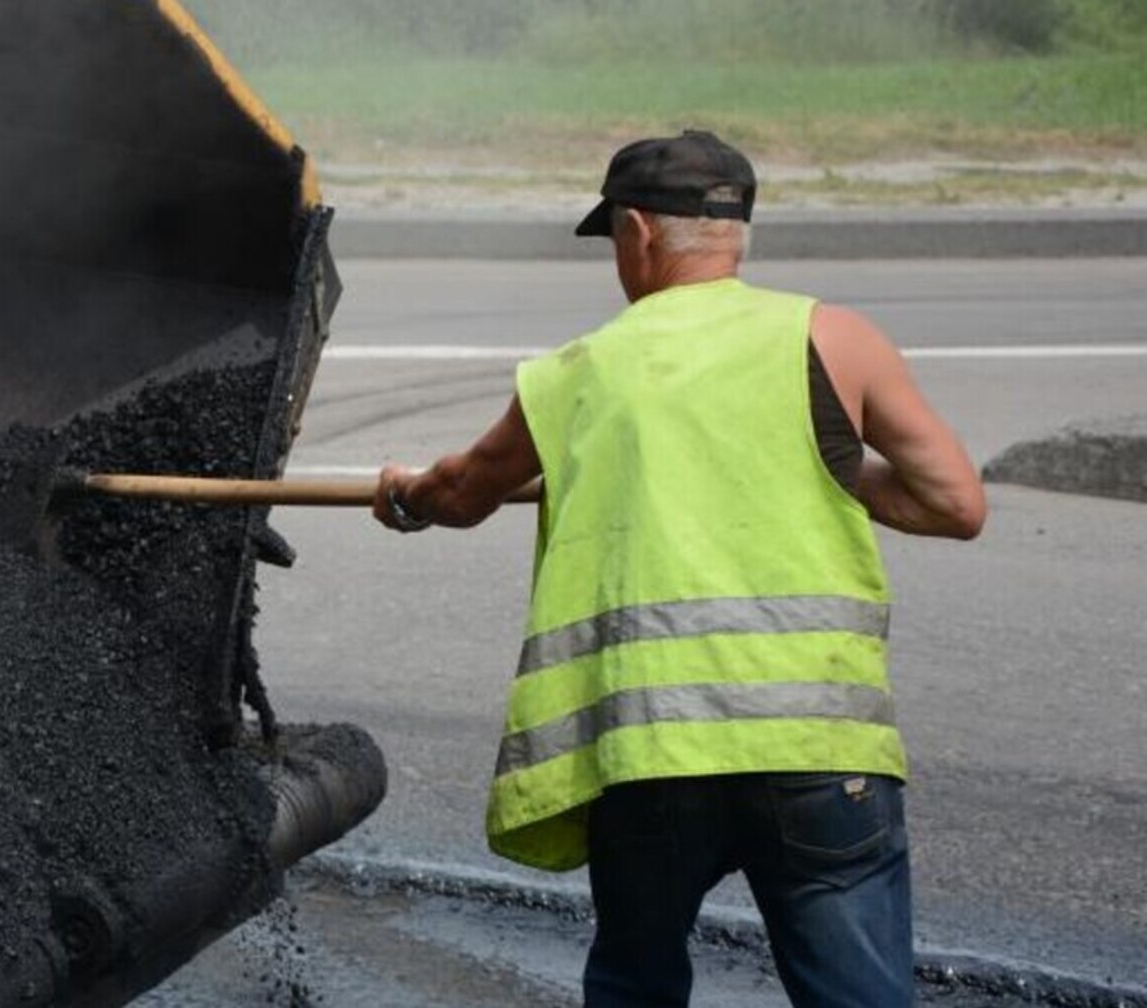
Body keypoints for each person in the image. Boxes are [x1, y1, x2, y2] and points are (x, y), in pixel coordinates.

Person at [372, 130, 986, 1008]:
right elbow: (953, 504)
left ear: (637, 234)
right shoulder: (830, 340)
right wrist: (824, 457)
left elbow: (465, 490)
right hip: (818, 751)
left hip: (655, 754)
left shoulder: (580, 373)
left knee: (637, 980)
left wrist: (405, 494)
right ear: (737, 232)